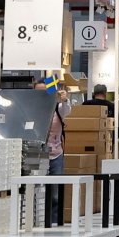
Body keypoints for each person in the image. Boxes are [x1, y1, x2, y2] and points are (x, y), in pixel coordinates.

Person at [41, 83, 73, 227]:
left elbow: (67, 109)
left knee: (55, 194)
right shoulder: (31, 109)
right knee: (38, 193)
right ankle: (40, 224)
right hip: (36, 156)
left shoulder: (58, 109)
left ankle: (54, 225)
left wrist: (64, 99)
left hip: (55, 155)